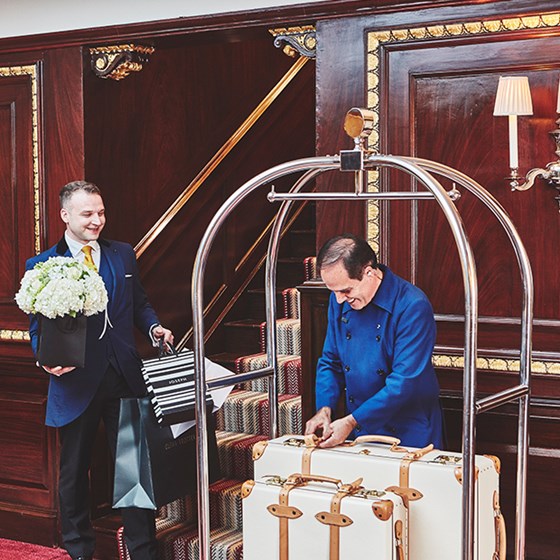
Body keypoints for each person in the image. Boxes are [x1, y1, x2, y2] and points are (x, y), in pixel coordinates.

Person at [25, 181, 173, 560]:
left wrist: (154, 326)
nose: (96, 221)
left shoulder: (122, 254)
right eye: (87, 214)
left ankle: (143, 552)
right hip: (75, 381)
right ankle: (78, 551)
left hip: (123, 374)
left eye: (101, 213)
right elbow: (37, 330)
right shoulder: (41, 266)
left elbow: (140, 303)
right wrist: (44, 359)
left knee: (134, 471)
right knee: (74, 473)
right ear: (65, 216)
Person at [305, 233, 443, 449]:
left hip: (409, 429)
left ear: (369, 272)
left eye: (346, 290)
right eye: (333, 292)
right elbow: (330, 361)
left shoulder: (413, 305)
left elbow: (404, 382)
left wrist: (351, 421)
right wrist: (324, 409)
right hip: (360, 428)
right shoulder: (339, 300)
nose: (339, 299)